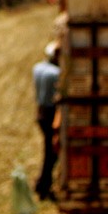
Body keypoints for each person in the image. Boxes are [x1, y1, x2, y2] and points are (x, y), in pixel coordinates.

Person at [33, 41, 61, 200]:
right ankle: (43, 184)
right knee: (51, 151)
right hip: (51, 113)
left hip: (40, 111)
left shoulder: (37, 68)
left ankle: (43, 183)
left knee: (48, 149)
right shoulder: (55, 73)